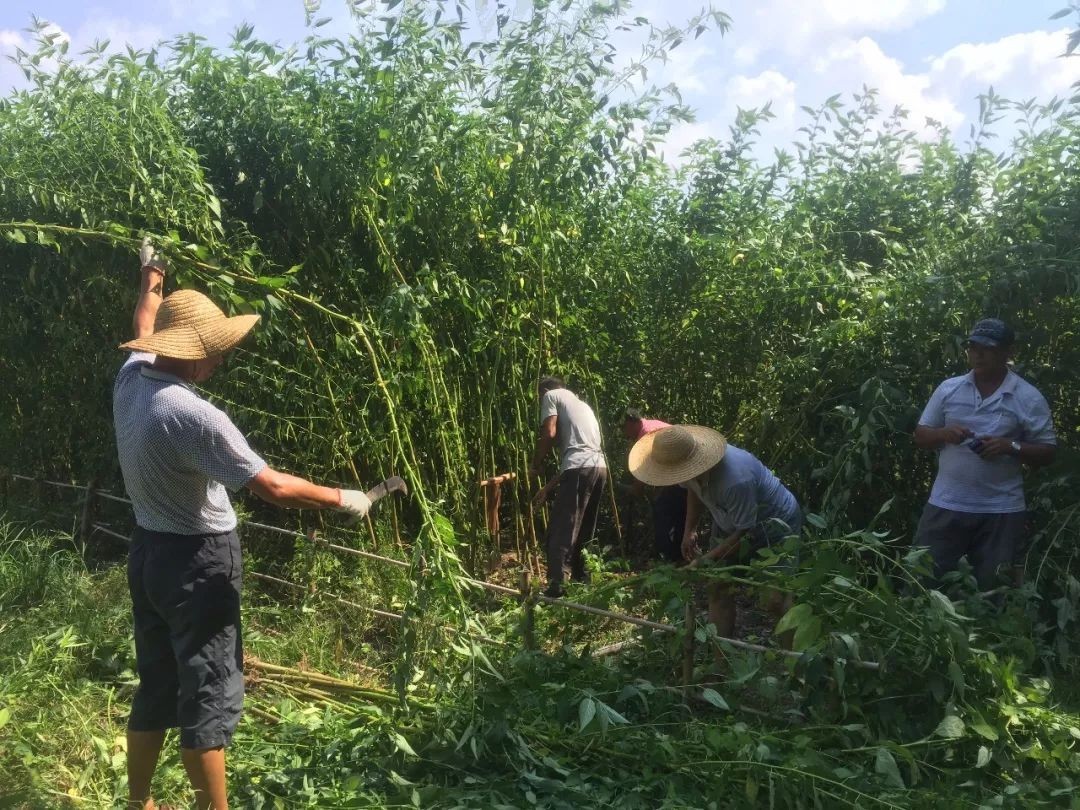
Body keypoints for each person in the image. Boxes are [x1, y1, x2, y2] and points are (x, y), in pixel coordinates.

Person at [116, 239, 374, 810]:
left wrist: (152, 275)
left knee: (156, 681)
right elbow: (274, 487)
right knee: (207, 690)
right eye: (212, 351)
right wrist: (345, 498)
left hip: (148, 555)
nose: (218, 360)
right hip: (198, 566)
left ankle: (139, 803)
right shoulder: (194, 415)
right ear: (188, 352)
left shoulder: (131, 378)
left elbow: (143, 318)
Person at [629, 425, 801, 661]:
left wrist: (703, 561)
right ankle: (720, 662)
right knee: (717, 586)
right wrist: (689, 530)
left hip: (774, 524)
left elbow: (743, 535)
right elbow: (694, 492)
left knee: (776, 599)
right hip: (730, 521)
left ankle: (794, 664)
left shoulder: (735, 480)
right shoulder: (686, 467)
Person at [913, 318, 1056, 589]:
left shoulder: (1028, 397)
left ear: (1008, 353)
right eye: (972, 347)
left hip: (1001, 510)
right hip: (946, 504)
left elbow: (1048, 453)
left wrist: (1010, 447)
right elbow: (920, 435)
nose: (977, 355)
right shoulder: (949, 388)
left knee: (995, 592)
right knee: (924, 584)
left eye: (987, 349)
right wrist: (944, 434)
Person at [528, 376, 608, 597]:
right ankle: (583, 581)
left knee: (562, 528)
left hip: (579, 469)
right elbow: (577, 460)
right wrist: (547, 488)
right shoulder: (583, 405)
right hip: (599, 468)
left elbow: (549, 433)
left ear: (543, 391)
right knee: (584, 528)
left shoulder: (551, 396)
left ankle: (557, 586)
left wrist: (536, 463)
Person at [622, 408, 685, 562]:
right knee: (679, 516)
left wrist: (636, 488)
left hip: (679, 476)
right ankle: (680, 558)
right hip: (681, 476)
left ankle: (669, 559)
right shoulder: (653, 424)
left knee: (663, 512)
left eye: (624, 427)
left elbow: (643, 467)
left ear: (631, 422)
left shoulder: (646, 434)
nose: (624, 433)